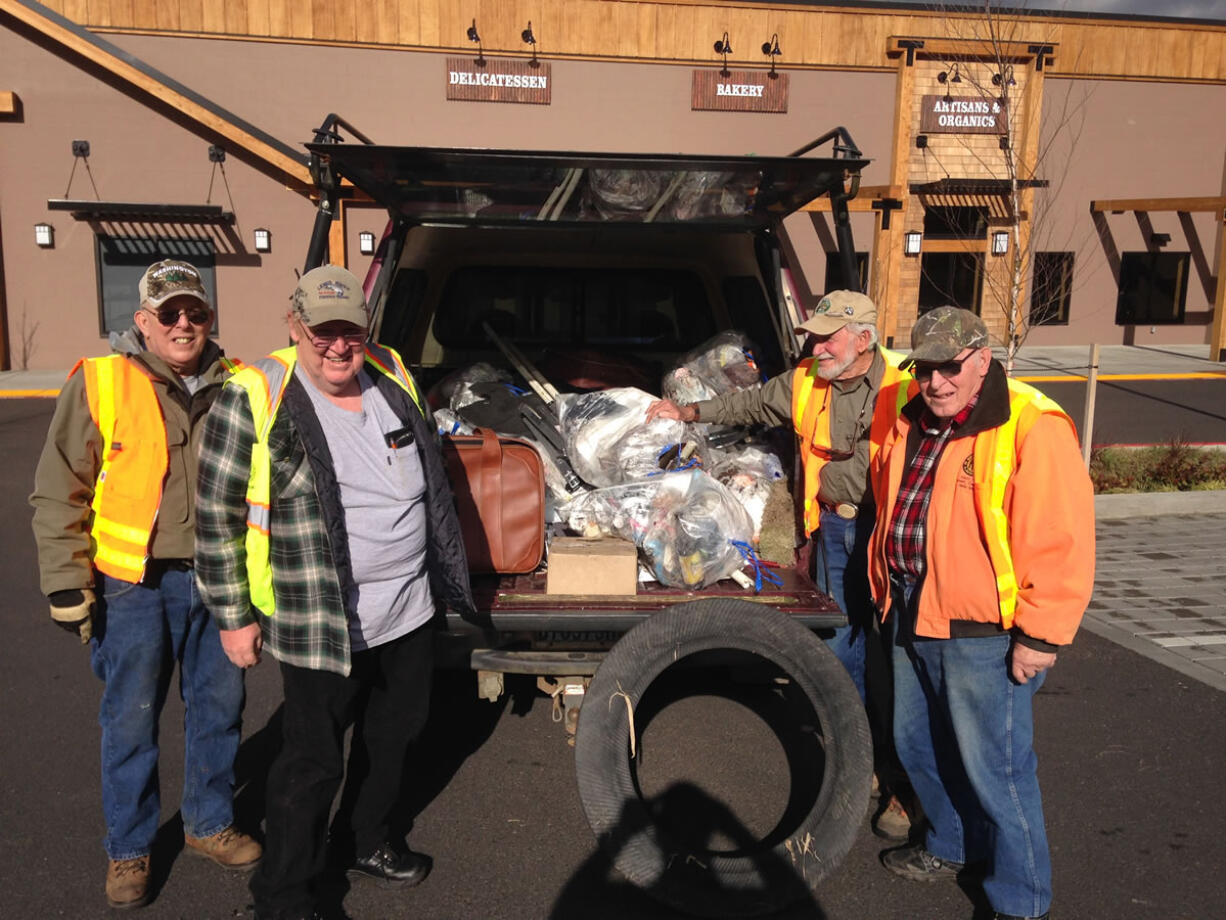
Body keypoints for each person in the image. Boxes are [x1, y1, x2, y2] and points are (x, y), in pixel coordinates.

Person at [195, 265, 475, 920]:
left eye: (349, 328)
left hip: (407, 612)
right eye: (322, 332)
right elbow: (214, 518)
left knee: (395, 737)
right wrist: (233, 617)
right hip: (319, 617)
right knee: (311, 764)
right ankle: (283, 899)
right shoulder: (255, 394)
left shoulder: (392, 372)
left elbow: (428, 477)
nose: (338, 346)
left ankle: (365, 841)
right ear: (295, 325)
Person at [645, 289, 917, 838]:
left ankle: (904, 787)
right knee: (840, 649)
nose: (814, 345)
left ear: (863, 340)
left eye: (826, 336)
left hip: (891, 535)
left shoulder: (906, 386)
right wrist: (687, 410)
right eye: (812, 335)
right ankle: (855, 753)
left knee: (899, 662)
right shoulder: (805, 380)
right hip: (837, 530)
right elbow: (747, 404)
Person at [30, 259, 258, 910]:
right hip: (134, 587)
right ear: (143, 322)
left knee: (219, 711)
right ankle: (129, 851)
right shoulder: (101, 383)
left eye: (196, 312)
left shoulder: (241, 383)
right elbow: (58, 490)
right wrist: (67, 582)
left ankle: (209, 824)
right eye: (170, 313)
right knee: (130, 721)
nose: (184, 323)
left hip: (219, 581)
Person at [868, 306, 1095, 920]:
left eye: (951, 368)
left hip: (983, 630)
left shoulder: (1032, 423)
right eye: (925, 370)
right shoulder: (913, 415)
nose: (936, 382)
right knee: (916, 743)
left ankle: (1021, 902)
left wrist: (1041, 635)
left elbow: (1060, 537)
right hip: (911, 606)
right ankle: (951, 843)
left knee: (998, 770)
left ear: (982, 360)